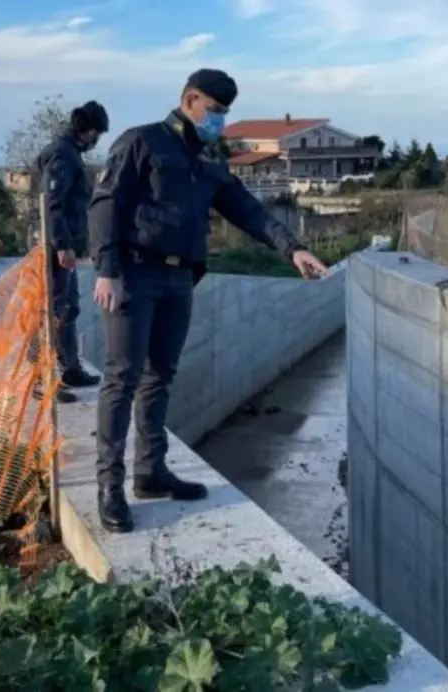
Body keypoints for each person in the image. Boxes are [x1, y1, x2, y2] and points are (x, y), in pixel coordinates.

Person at [87, 68, 328, 533]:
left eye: (224, 114)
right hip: (134, 276)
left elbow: (246, 209)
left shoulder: (211, 159)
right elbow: (106, 205)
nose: (218, 121)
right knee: (123, 377)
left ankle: (151, 472)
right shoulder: (142, 142)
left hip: (180, 280)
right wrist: (107, 269)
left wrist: (291, 247)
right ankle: (109, 487)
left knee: (160, 377)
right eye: (215, 111)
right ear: (190, 99)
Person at [32, 100, 109, 403]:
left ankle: (70, 368)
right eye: (97, 134)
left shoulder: (68, 152)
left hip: (62, 247)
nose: (97, 140)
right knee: (52, 313)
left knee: (67, 309)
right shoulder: (63, 155)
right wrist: (62, 245)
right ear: (89, 130)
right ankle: (42, 380)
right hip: (55, 249)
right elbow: (53, 203)